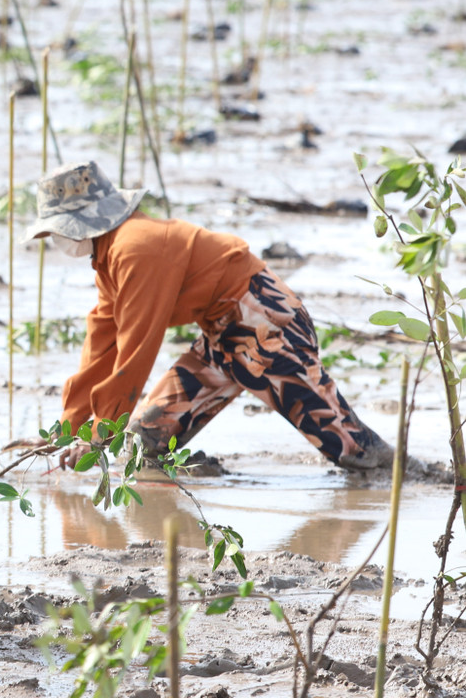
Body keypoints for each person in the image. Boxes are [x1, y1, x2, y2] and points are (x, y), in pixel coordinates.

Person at [24, 160, 393, 471]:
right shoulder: (108, 259)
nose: (57, 241)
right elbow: (102, 341)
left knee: (352, 449)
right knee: (147, 440)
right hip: (221, 336)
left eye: (57, 232)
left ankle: (408, 478)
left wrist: (100, 432)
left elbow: (136, 348)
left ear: (79, 223)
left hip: (263, 322)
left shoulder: (135, 249)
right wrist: (69, 426)